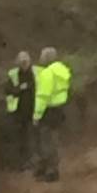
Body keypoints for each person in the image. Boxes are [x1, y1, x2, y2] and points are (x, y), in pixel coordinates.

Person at [32, 46, 72, 182]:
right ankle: (51, 167)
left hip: (48, 111)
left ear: (46, 58)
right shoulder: (62, 70)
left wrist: (36, 115)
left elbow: (42, 96)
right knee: (54, 139)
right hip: (60, 108)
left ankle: (50, 170)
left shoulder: (47, 73)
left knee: (46, 141)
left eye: (42, 56)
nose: (40, 58)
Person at [4, 50, 35, 169]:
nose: (24, 64)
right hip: (18, 112)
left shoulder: (35, 73)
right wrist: (20, 89)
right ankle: (22, 162)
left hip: (34, 110)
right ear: (17, 62)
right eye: (21, 62)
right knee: (20, 137)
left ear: (29, 61)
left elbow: (38, 88)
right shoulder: (13, 74)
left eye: (25, 61)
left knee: (33, 136)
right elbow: (8, 90)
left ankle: (33, 161)